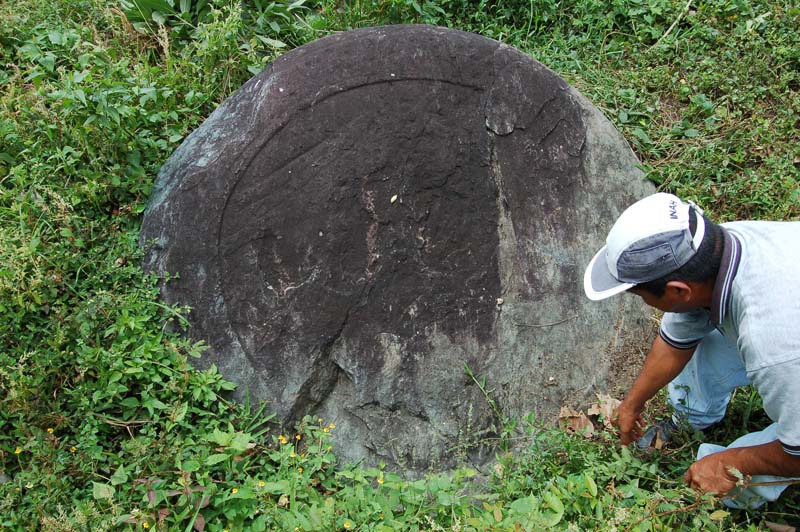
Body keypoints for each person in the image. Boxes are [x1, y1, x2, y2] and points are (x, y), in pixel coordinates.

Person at [583, 192, 800, 509]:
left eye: (641, 296)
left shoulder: (774, 345)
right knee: (703, 339)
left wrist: (727, 464)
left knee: (743, 462)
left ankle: (719, 494)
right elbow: (676, 340)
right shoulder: (719, 248)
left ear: (678, 291)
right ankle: (690, 417)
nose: (644, 303)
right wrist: (632, 404)